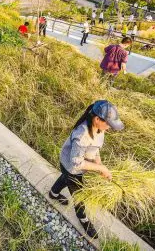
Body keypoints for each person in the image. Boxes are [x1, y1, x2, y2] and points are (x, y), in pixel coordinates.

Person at [49, 100, 124, 239]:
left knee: (65, 179)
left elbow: (95, 150)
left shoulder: (100, 130)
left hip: (72, 169)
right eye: (108, 123)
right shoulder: (82, 134)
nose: (109, 127)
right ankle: (84, 220)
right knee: (79, 196)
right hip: (71, 167)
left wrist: (100, 167)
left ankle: (53, 193)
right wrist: (100, 168)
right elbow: (76, 162)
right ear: (97, 119)